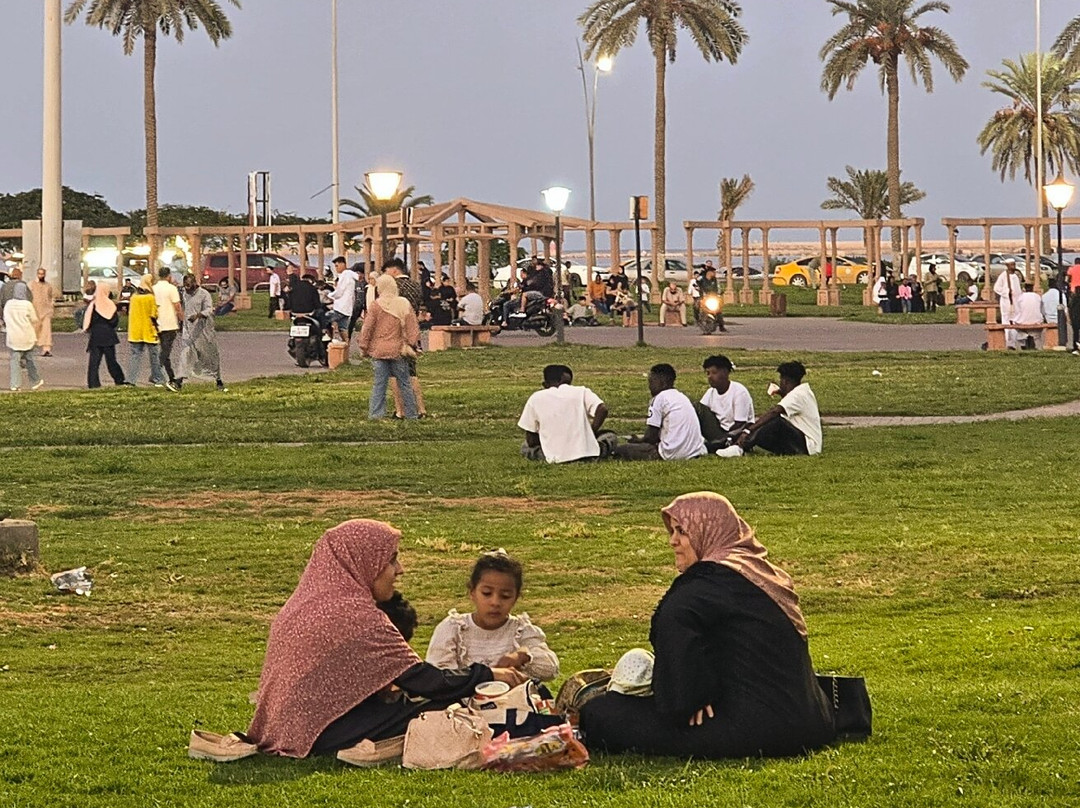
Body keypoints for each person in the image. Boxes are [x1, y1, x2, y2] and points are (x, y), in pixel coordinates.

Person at [578, 492, 836, 759]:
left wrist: (691, 699)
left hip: (758, 728)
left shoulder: (702, 586)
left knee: (601, 713)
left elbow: (677, 690)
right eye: (673, 531)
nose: (673, 541)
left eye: (682, 532)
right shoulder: (759, 573)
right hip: (815, 720)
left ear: (706, 531)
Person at [245, 520, 527, 758]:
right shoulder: (356, 615)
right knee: (443, 707)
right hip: (319, 734)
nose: (399, 569)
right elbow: (424, 681)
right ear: (365, 562)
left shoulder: (305, 604)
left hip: (285, 727)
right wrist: (489, 674)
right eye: (391, 560)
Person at [426, 550, 560, 682]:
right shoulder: (454, 628)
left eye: (505, 596)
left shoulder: (520, 630)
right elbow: (439, 678)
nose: (495, 603)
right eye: (486, 593)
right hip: (461, 702)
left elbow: (551, 669)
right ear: (472, 592)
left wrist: (522, 656)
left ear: (516, 598)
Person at [722, 361, 821, 458]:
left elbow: (775, 411)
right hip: (803, 443)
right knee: (764, 427)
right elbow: (792, 407)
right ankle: (733, 444)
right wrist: (781, 393)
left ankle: (739, 447)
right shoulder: (803, 391)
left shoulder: (797, 395)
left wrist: (748, 430)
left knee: (774, 421)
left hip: (808, 447)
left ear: (785, 381)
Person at [357, 273, 420, 420]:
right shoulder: (403, 303)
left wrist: (364, 346)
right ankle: (411, 414)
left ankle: (376, 414)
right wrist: (412, 344)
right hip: (398, 350)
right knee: (404, 383)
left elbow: (367, 328)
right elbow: (413, 327)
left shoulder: (376, 305)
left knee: (379, 384)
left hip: (379, 351)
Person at [613, 364, 706, 461]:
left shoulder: (660, 398)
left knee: (622, 450)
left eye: (652, 382)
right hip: (692, 452)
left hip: (671, 453)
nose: (649, 386)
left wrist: (638, 441)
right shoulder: (682, 397)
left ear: (663, 382)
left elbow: (651, 437)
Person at [518, 364, 609, 463]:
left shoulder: (535, 398)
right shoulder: (581, 391)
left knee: (525, 447)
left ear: (545, 384)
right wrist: (592, 432)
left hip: (554, 457)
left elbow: (531, 440)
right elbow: (602, 409)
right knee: (610, 436)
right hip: (588, 455)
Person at [383, 258, 428, 418]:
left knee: (393, 374)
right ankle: (421, 408)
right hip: (412, 332)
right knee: (412, 373)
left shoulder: (393, 287)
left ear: (394, 270)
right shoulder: (416, 286)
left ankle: (400, 410)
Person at [175, 274, 227, 392]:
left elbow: (209, 309)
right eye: (185, 286)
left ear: (194, 283)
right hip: (188, 330)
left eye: (189, 286)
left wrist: (198, 316)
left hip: (203, 331)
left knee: (210, 357)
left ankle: (218, 381)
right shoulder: (183, 293)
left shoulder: (204, 294)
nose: (187, 289)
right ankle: (178, 382)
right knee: (185, 353)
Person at [697, 355, 755, 452]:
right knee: (697, 408)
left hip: (734, 434)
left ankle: (720, 445)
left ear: (725, 372)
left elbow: (740, 423)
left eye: (714, 373)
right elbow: (701, 412)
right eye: (708, 373)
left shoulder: (739, 391)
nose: (710, 377)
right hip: (718, 431)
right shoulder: (710, 392)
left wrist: (726, 438)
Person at [82, 280, 127, 388]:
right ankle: (119, 379)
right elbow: (114, 322)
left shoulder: (93, 305)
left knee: (94, 362)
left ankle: (93, 383)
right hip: (109, 336)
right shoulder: (110, 305)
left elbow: (89, 320)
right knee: (111, 360)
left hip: (96, 336)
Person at [127, 274, 166, 387]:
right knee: (154, 356)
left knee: (135, 356)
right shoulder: (150, 298)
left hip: (135, 331)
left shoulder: (134, 297)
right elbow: (154, 314)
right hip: (149, 330)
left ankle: (131, 380)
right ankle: (158, 378)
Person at [4, 284, 43, 391]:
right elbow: (34, 319)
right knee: (30, 359)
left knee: (14, 361)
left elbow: (5, 318)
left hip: (13, 336)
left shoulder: (9, 304)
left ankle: (15, 384)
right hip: (27, 336)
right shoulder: (27, 305)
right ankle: (35, 380)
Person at [153, 267, 182, 392]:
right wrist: (182, 319)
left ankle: (171, 377)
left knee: (165, 351)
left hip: (158, 323)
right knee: (166, 351)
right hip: (170, 323)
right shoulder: (172, 289)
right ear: (169, 276)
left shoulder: (153, 289)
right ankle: (156, 371)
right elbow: (177, 305)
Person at [994, 259, 1023, 350]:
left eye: (1014, 264)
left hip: (1016, 303)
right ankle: (1008, 341)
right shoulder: (1003, 276)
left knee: (1015, 321)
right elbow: (996, 288)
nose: (1013, 266)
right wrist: (1007, 292)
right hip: (1007, 303)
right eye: (1011, 265)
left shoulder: (1016, 276)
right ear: (1007, 266)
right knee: (1006, 321)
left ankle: (1014, 342)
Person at [328, 256, 358, 342]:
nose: (336, 268)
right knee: (342, 328)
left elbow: (339, 291)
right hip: (347, 308)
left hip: (340, 307)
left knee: (325, 320)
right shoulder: (350, 274)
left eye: (337, 266)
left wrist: (329, 295)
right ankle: (345, 347)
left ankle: (330, 341)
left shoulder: (345, 274)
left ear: (343, 264)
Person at [31, 268, 55, 357]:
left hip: (46, 312)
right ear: (37, 274)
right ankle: (30, 349)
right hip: (35, 311)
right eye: (39, 274)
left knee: (46, 330)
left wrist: (51, 309)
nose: (41, 275)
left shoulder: (48, 285)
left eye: (43, 274)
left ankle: (46, 349)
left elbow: (50, 297)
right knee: (34, 330)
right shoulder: (32, 285)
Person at [1014, 282, 1045, 349]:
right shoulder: (1037, 296)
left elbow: (1017, 310)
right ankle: (1033, 340)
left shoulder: (1020, 297)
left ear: (1024, 289)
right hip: (1036, 321)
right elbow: (1041, 309)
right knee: (1038, 332)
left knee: (1014, 322)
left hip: (1022, 322)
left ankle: (1023, 337)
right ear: (1032, 289)